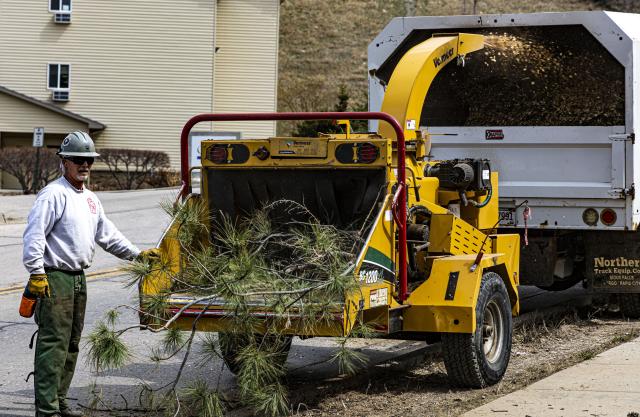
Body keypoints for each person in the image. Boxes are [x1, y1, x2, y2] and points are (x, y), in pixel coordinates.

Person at [23, 131, 158, 417]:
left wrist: (137, 254)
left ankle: (58, 402)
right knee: (53, 346)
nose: (84, 165)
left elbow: (108, 236)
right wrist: (36, 272)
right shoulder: (53, 195)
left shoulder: (91, 199)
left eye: (89, 160)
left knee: (71, 345)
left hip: (78, 278)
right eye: (78, 160)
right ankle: (46, 411)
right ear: (64, 161)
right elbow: (34, 236)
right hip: (54, 277)